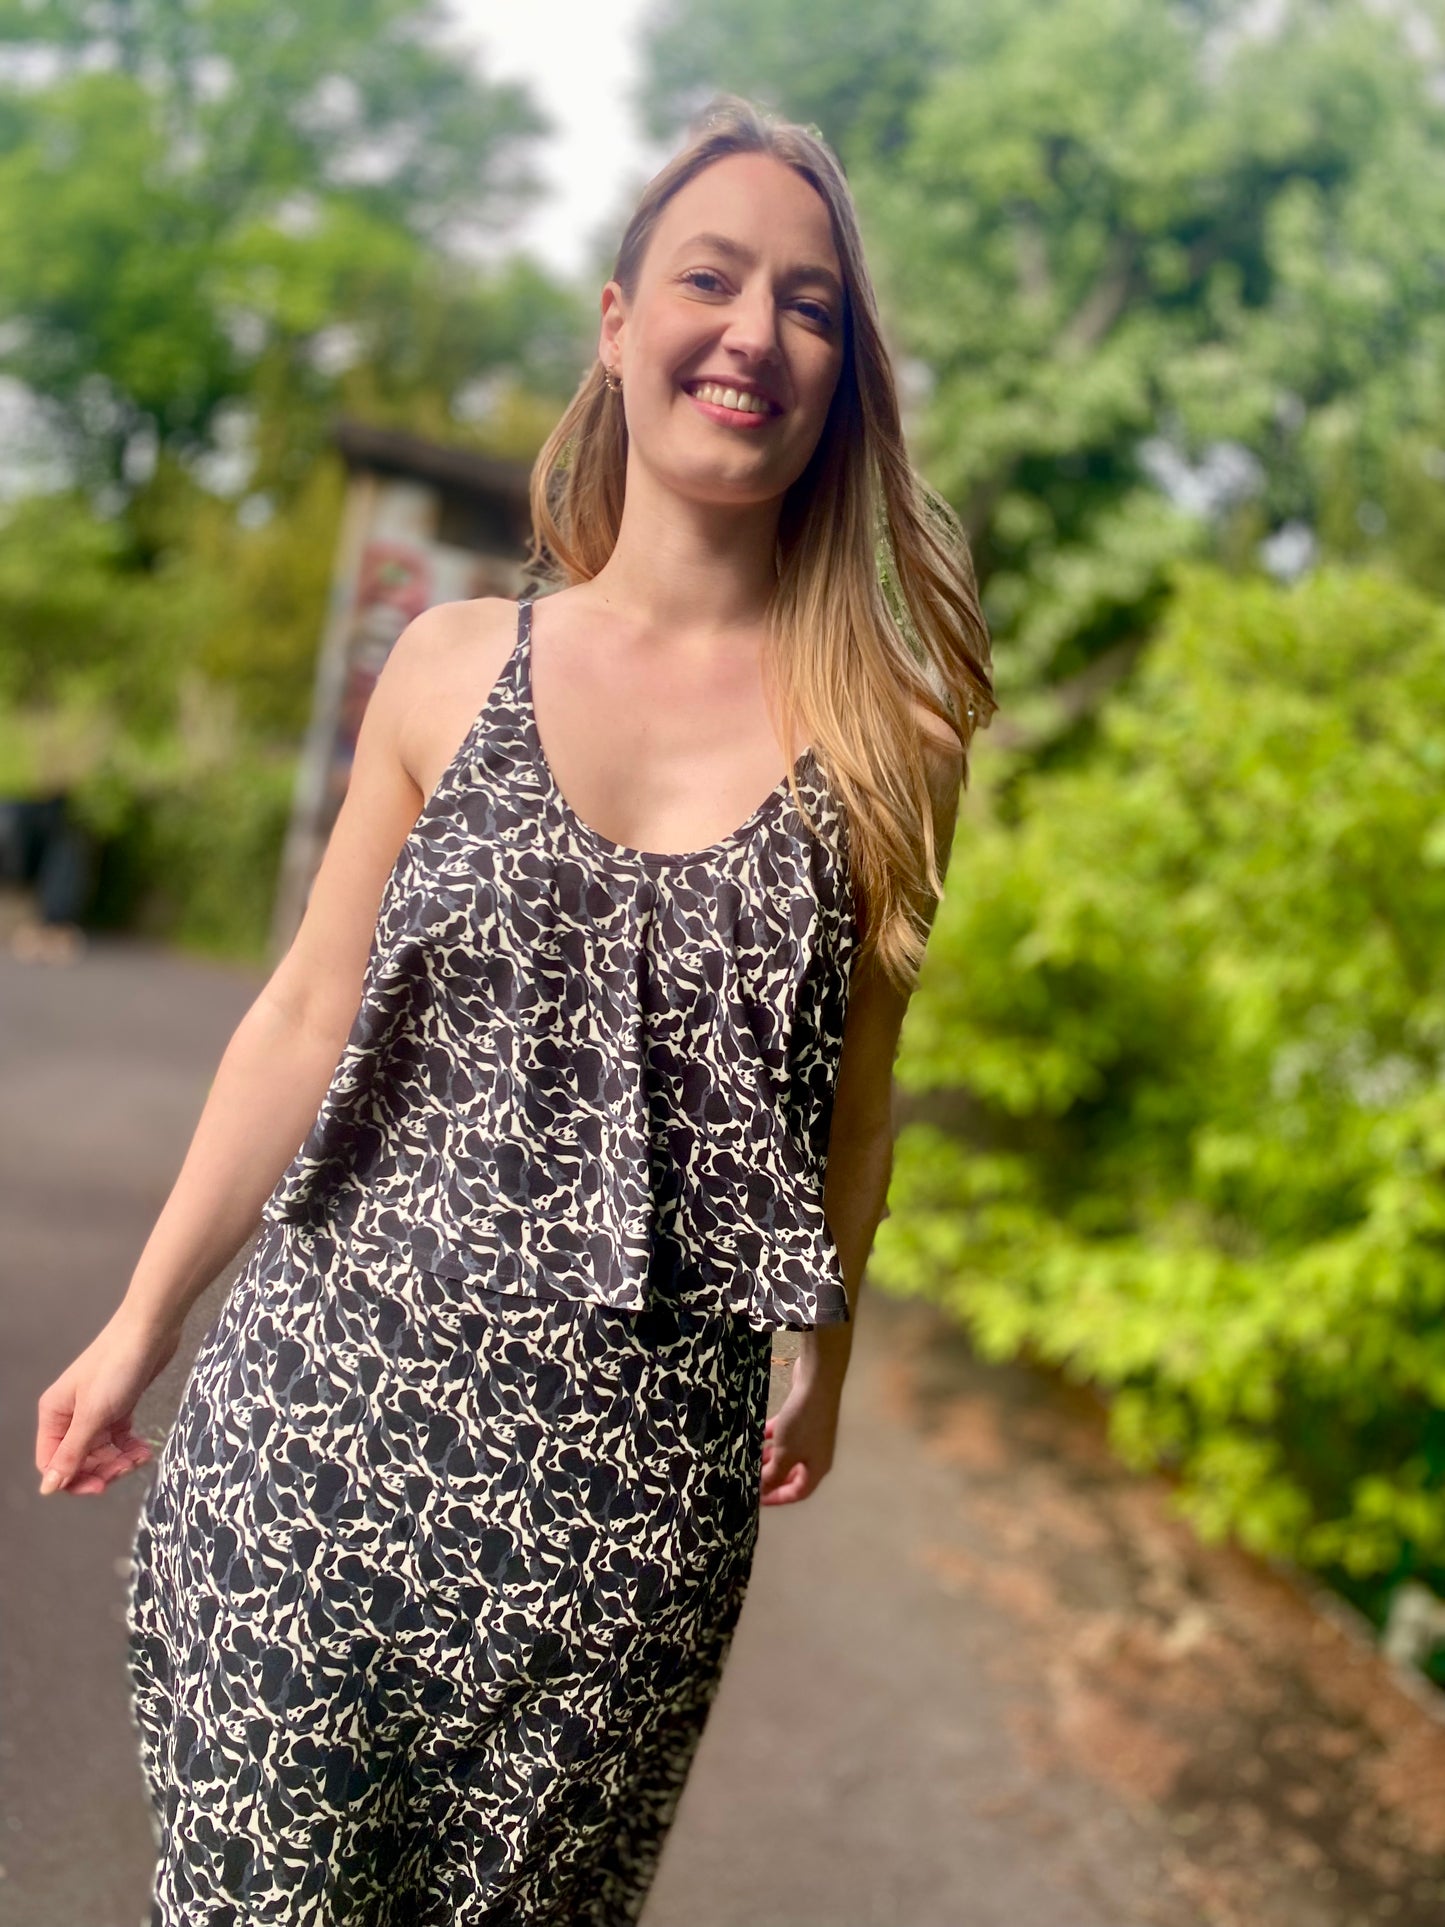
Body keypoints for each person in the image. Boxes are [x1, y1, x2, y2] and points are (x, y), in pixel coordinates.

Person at [33, 92, 993, 1926]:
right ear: (617, 324)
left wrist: (829, 1348)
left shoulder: (893, 747)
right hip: (312, 1460)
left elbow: (852, 1106)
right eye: (709, 278)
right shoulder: (450, 666)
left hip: (625, 1540)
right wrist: (139, 1321)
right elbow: (306, 1014)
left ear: (841, 380)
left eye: (808, 305)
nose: (755, 330)